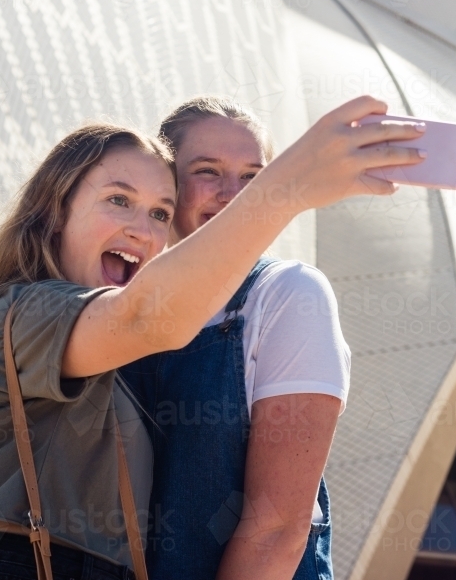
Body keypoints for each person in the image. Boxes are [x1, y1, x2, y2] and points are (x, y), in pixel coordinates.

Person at [0, 97, 426, 580]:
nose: (142, 229)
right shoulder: (23, 314)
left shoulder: (270, 297)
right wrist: (286, 190)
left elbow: (277, 528)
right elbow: (149, 317)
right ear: (55, 211)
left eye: (158, 212)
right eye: (118, 200)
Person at [120, 97, 349, 580]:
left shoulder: (287, 294)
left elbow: (276, 530)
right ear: (165, 183)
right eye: (208, 171)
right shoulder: (117, 308)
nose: (234, 194)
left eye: (253, 177)